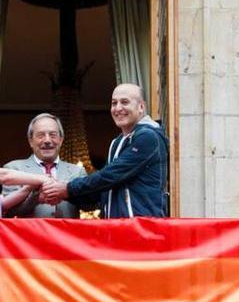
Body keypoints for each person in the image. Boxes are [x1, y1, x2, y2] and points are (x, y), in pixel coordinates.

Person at [41, 83, 169, 218]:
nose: (118, 108)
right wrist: (64, 194)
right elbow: (104, 188)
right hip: (119, 229)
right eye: (114, 103)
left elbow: (111, 175)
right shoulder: (118, 142)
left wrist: (67, 189)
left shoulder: (148, 136)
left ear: (141, 107)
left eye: (124, 102)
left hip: (141, 230)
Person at [1, 113, 88, 218]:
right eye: (40, 135)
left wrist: (66, 192)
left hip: (66, 233)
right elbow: (9, 211)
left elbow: (90, 205)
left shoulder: (77, 171)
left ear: (61, 140)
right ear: (31, 141)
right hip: (28, 234)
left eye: (53, 135)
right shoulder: (14, 169)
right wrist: (36, 198)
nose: (47, 140)